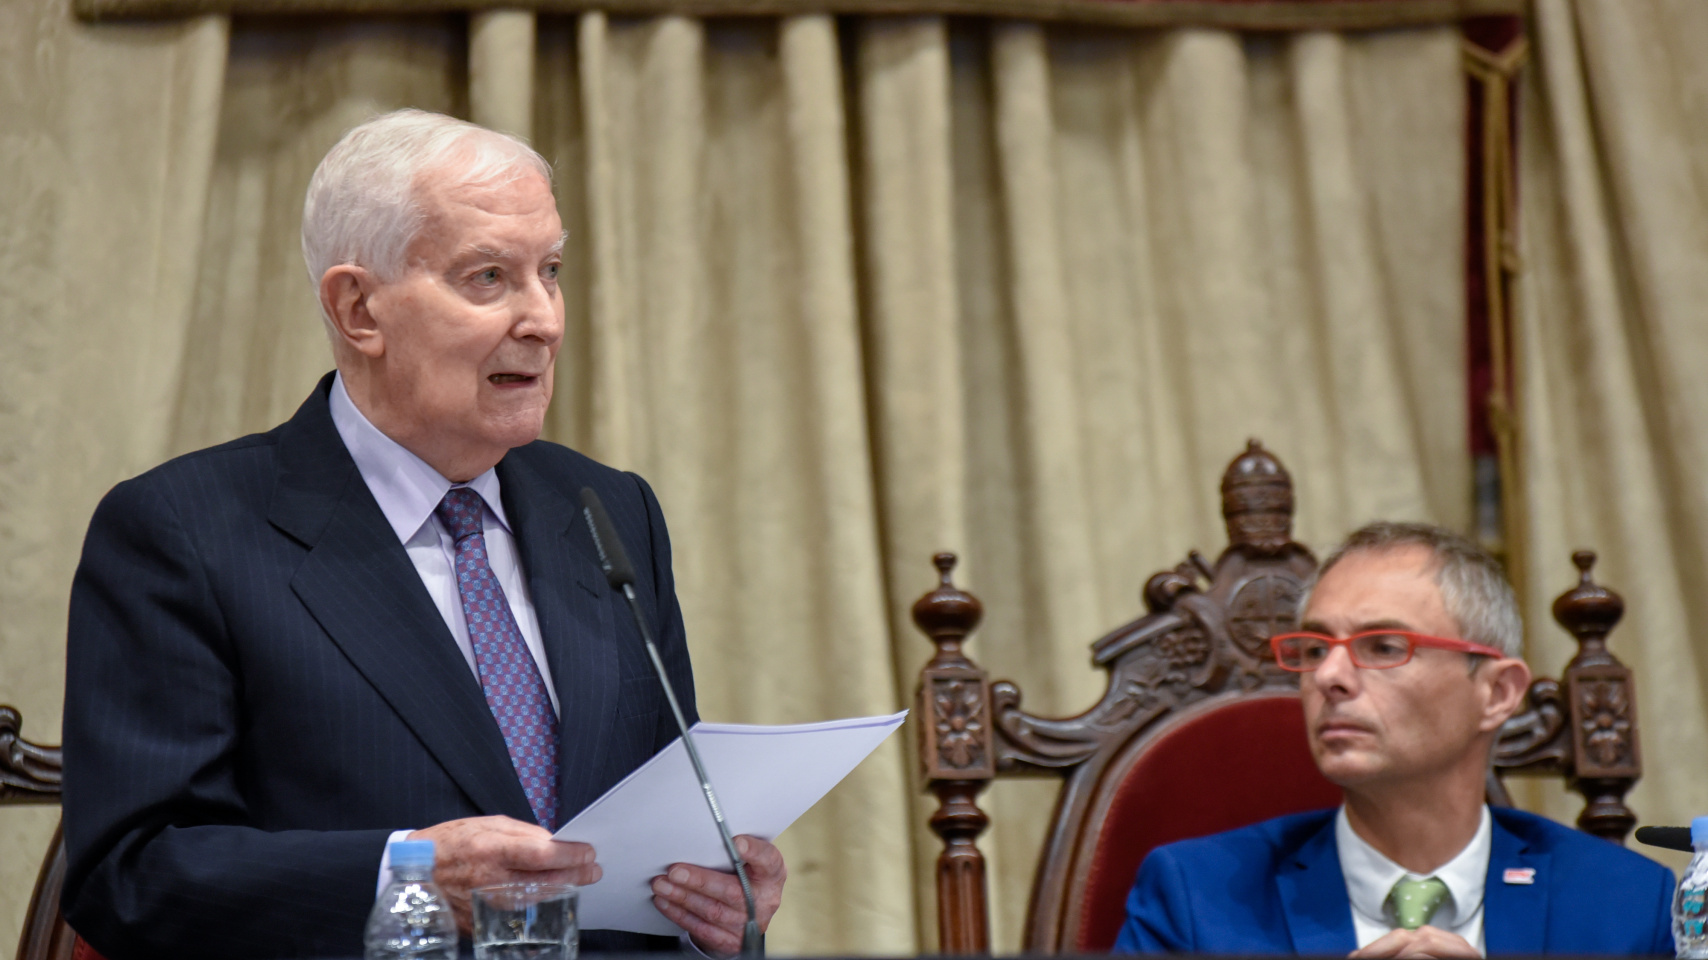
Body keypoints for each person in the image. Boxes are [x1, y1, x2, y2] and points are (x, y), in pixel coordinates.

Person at [60, 109, 785, 960]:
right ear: (357, 307)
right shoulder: (186, 531)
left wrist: (712, 905)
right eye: (488, 277)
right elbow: (131, 875)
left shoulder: (609, 510)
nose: (544, 319)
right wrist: (404, 879)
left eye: (550, 271)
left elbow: (666, 813)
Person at [1114, 522, 1674, 957]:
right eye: (1313, 649)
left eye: (1382, 647)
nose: (1328, 676)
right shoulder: (1195, 897)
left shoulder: (1625, 904)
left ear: (1498, 692)